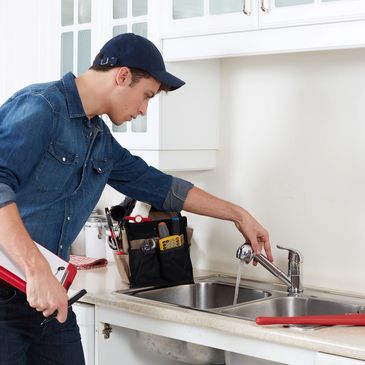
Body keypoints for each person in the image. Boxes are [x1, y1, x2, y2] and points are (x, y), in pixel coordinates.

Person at [0, 33, 272, 364]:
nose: (143, 110)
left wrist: (238, 214)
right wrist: (37, 270)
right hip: (11, 293)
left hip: (49, 294)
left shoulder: (99, 139)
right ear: (122, 75)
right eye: (146, 96)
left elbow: (159, 186)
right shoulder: (41, 107)